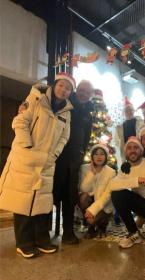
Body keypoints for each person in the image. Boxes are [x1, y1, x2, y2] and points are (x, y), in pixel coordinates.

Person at [0, 72, 75, 258]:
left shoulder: (66, 112)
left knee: (42, 203)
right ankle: (24, 243)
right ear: (54, 85)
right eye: (61, 86)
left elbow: (64, 137)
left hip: (47, 163)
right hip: (26, 159)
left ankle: (42, 240)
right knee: (23, 202)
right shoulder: (35, 99)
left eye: (68, 88)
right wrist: (27, 146)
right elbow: (19, 122)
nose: (64, 90)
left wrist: (54, 154)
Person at [53, 80, 94, 244]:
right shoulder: (67, 104)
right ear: (77, 90)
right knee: (52, 194)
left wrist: (81, 153)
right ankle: (41, 232)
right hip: (59, 157)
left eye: (87, 92)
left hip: (74, 160)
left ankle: (68, 232)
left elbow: (87, 137)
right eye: (81, 90)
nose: (83, 93)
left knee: (70, 197)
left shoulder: (89, 113)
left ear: (90, 95)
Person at [79, 144, 116, 238]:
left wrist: (93, 210)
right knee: (83, 196)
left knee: (98, 217)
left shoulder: (111, 172)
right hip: (88, 202)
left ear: (106, 156)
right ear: (92, 156)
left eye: (102, 154)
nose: (99, 157)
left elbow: (107, 196)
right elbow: (84, 189)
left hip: (103, 204)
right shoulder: (84, 168)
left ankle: (102, 225)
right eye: (96, 154)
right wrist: (91, 173)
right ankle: (91, 228)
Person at [115, 96, 143, 162]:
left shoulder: (140, 122)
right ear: (124, 113)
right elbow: (118, 141)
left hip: (139, 150)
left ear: (133, 111)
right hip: (127, 152)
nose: (129, 112)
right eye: (126, 110)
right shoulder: (120, 127)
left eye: (130, 110)